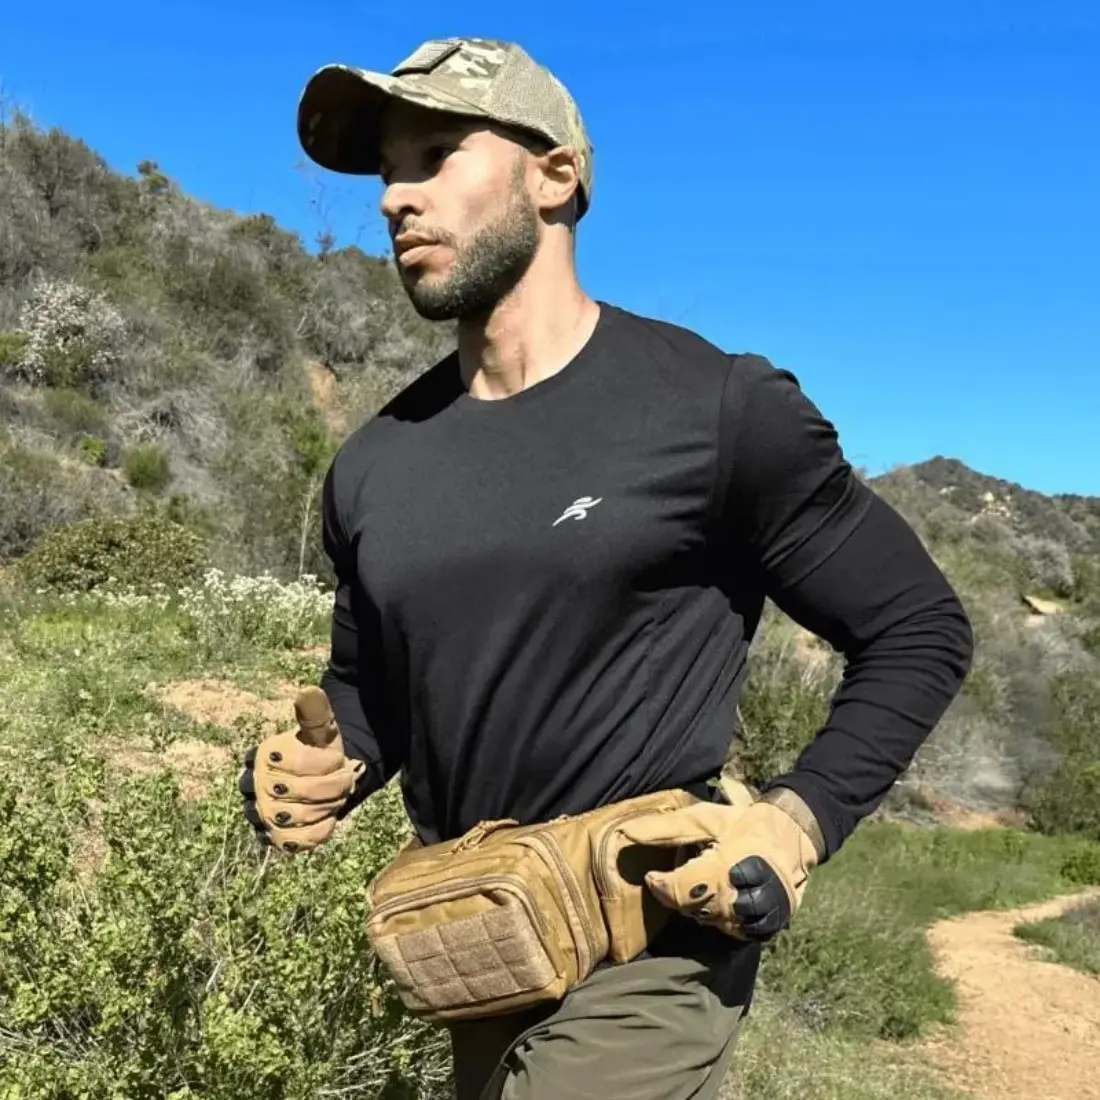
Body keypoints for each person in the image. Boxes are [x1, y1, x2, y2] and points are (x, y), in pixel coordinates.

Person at [239, 36, 974, 1100]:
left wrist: (796, 819)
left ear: (554, 175)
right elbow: (370, 693)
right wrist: (329, 767)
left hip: (654, 939)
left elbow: (916, 627)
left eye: (437, 155)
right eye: (388, 172)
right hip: (476, 941)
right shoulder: (374, 465)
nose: (396, 197)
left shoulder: (714, 409)